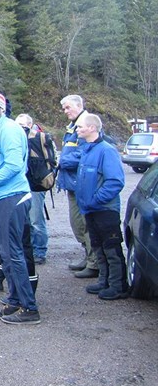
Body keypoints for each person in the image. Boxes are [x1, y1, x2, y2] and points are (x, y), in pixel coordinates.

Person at [0, 91, 40, 325]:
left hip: (11, 196)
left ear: (2, 107)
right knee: (6, 253)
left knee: (12, 253)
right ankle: (14, 300)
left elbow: (14, 165)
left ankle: (29, 307)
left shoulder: (10, 130)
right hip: (3, 197)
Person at [75, 114, 128, 300]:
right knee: (98, 246)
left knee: (111, 247)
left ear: (92, 128)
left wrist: (95, 200)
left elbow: (115, 182)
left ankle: (118, 286)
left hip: (104, 210)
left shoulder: (107, 150)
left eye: (80, 126)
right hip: (91, 209)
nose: (77, 129)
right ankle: (104, 280)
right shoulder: (87, 150)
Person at [57, 95, 98, 278]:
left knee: (85, 223)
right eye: (64, 108)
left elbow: (84, 154)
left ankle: (94, 262)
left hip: (82, 184)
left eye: (68, 107)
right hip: (73, 184)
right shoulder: (72, 127)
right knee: (77, 224)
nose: (65, 111)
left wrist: (62, 161)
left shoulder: (85, 126)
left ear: (79, 105)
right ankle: (88, 256)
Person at [15, 113, 55, 264]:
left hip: (36, 185)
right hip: (21, 185)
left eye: (23, 126)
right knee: (25, 220)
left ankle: (40, 251)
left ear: (30, 125)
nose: (20, 129)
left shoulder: (38, 139)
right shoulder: (16, 139)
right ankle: (29, 250)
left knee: (36, 220)